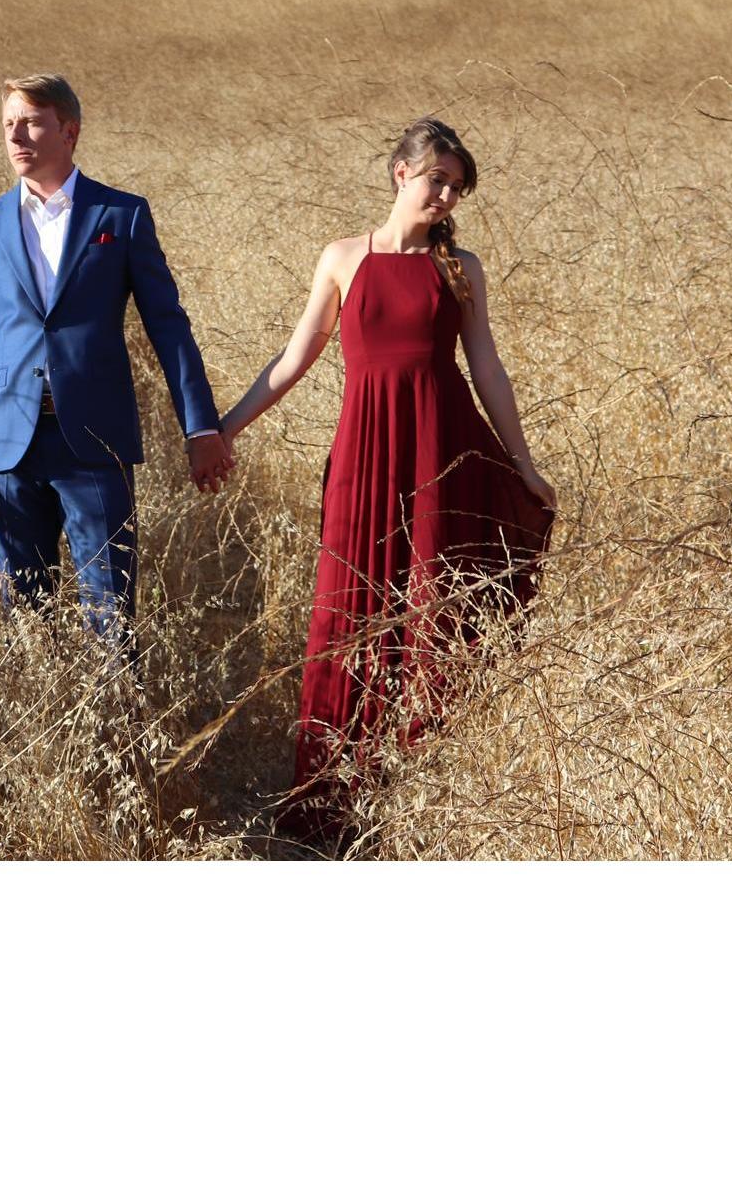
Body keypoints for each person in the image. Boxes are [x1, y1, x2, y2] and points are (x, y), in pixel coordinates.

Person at [219, 116, 555, 842]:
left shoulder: (460, 267)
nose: (447, 197)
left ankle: (419, 794)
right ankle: (329, 797)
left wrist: (523, 464)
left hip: (440, 452)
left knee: (432, 607)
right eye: (439, 180)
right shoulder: (343, 257)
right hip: (365, 454)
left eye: (458, 188)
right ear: (402, 172)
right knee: (346, 608)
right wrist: (225, 428)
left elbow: (487, 369)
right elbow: (295, 358)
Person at [0, 74, 232, 650]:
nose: (15, 136)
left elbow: (169, 327)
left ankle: (117, 709)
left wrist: (201, 428)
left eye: (31, 123)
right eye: (8, 124)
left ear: (69, 131)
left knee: (112, 615)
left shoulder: (121, 216)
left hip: (95, 442)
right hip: (8, 445)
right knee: (25, 621)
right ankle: (41, 711)